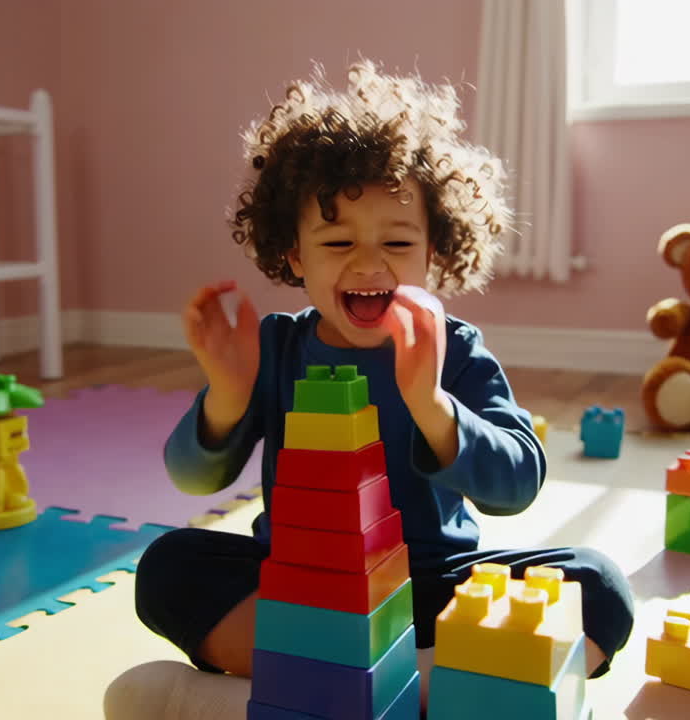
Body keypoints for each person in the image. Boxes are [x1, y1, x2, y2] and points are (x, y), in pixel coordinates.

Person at [134, 59, 634, 692]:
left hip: (430, 584)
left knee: (599, 587)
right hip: (298, 585)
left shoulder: (452, 349)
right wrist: (229, 396)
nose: (369, 263)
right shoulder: (275, 348)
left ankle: (363, 684)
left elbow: (516, 485)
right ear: (294, 254)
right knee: (168, 567)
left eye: (397, 245)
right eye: (339, 244)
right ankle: (414, 686)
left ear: (435, 251)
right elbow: (191, 475)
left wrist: (431, 404)